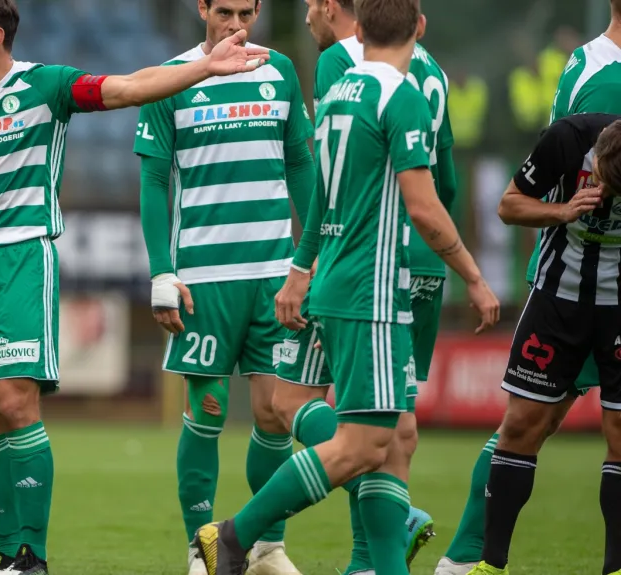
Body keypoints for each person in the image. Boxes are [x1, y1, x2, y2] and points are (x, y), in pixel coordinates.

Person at [0, 0, 271, 573]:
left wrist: (204, 68)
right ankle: (6, 555)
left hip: (18, 260)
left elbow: (132, 86)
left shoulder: (45, 86)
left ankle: (32, 555)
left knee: (14, 399)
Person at [193, 0, 500, 573]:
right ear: (420, 27)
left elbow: (321, 197)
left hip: (330, 280)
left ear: (357, 26)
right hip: (374, 293)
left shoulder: (338, 89)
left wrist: (301, 270)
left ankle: (375, 567)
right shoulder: (401, 95)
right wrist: (474, 276)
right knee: (369, 445)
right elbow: (427, 208)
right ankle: (235, 535)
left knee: (330, 422)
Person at [437, 3, 621, 572]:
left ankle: (464, 560)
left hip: (593, 277)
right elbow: (567, 169)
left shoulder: (586, 60)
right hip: (577, 278)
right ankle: (470, 559)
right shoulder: (604, 78)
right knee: (526, 423)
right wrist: (567, 213)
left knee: (528, 426)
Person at [134, 1, 310, 574]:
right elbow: (154, 178)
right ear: (201, 8)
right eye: (224, 11)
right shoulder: (173, 79)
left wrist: (310, 259)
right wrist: (162, 270)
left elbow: (301, 164)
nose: (235, 25)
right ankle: (200, 548)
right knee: (206, 413)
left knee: (273, 414)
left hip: (274, 276)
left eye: (246, 12)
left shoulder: (280, 71)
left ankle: (267, 548)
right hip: (204, 281)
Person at [278, 1, 452, 573]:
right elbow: (443, 179)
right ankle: (368, 561)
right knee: (396, 423)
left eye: (312, 0)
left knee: (302, 407)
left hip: (355, 266)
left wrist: (304, 268)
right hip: (419, 262)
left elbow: (330, 181)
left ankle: (238, 535)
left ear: (335, 7)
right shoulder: (432, 72)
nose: (306, 9)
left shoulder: (340, 65)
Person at [462, 115, 621, 575]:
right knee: (521, 426)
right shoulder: (567, 140)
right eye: (607, 185)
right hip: (558, 298)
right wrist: (564, 211)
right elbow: (509, 206)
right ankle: (492, 566)